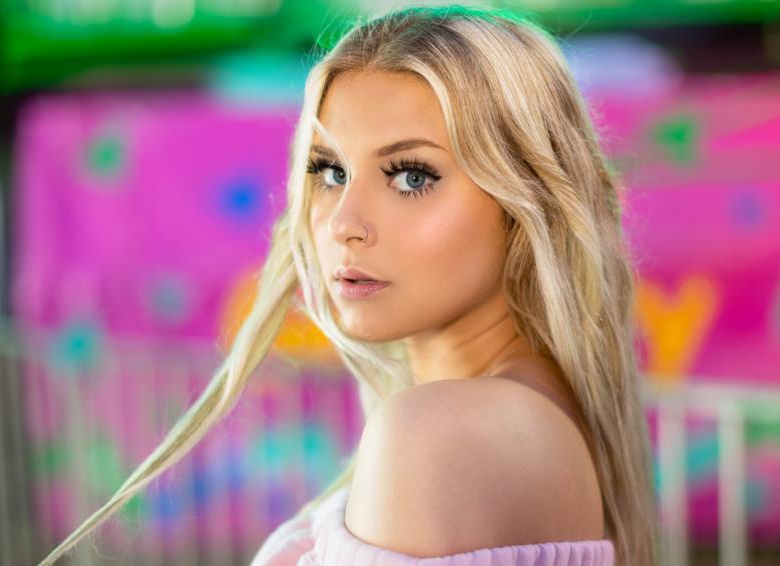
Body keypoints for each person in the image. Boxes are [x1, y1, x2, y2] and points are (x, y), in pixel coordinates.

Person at [39, 4, 660, 565]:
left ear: (527, 202)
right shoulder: (526, 417)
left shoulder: (437, 434)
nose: (344, 224)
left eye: (411, 177)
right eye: (330, 171)